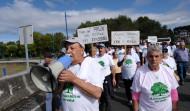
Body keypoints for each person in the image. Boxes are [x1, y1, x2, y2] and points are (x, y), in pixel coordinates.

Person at [56, 37, 104, 111]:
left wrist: (73, 79)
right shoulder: (65, 66)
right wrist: (61, 84)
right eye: (66, 48)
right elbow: (57, 92)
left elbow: (97, 94)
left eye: (72, 48)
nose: (68, 51)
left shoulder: (92, 64)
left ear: (82, 50)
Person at [131, 45, 179, 111]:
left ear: (161, 58)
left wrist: (175, 109)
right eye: (151, 56)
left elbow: (173, 92)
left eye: (157, 56)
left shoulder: (168, 71)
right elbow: (135, 95)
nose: (154, 59)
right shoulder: (140, 72)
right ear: (147, 58)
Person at [95, 43, 116, 111]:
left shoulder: (108, 57)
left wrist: (113, 78)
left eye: (101, 48)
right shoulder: (95, 57)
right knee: (100, 97)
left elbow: (113, 67)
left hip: (106, 78)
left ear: (104, 49)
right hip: (98, 79)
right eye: (99, 48)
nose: (100, 49)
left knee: (107, 97)